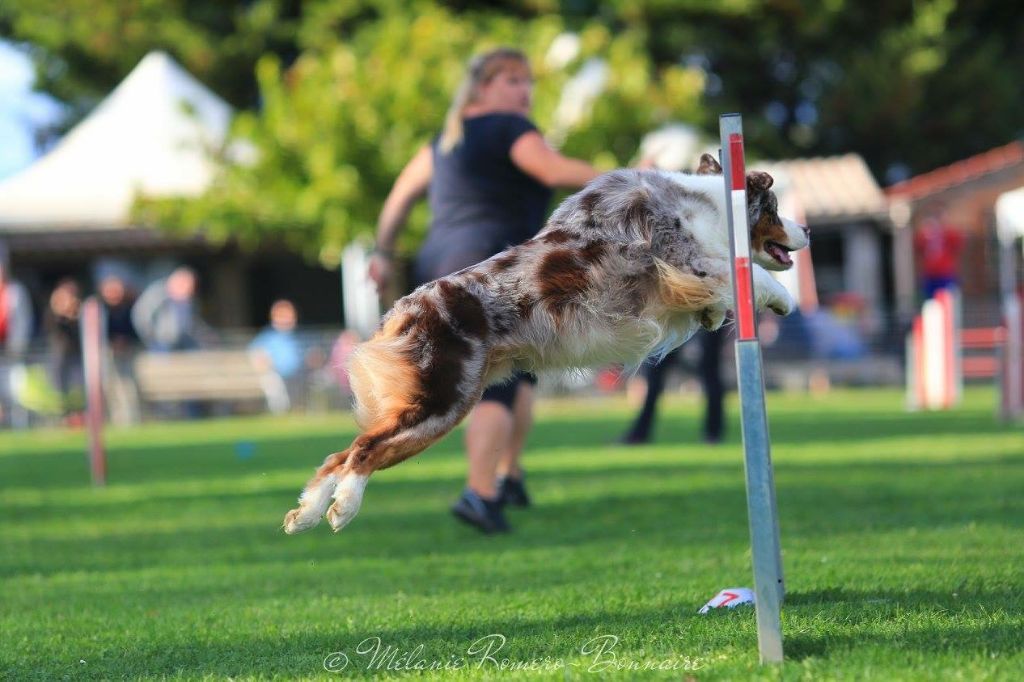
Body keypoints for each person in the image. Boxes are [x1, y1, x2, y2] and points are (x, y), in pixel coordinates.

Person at [367, 47, 601, 533]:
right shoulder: (510, 128)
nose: (524, 90)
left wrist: (383, 253)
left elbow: (398, 199)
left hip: (441, 265)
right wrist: (628, 180)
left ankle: (508, 473)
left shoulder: (443, 141)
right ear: (483, 87)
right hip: (490, 264)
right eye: (512, 80)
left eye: (527, 81)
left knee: (522, 371)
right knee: (496, 380)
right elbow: (552, 171)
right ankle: (480, 491)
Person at [619, 326, 728, 445]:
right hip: (679, 314)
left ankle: (713, 434)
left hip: (701, 314)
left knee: (709, 371)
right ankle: (639, 433)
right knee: (655, 370)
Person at [132, 267, 211, 352]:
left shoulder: (188, 300)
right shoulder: (156, 294)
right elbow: (142, 317)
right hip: (161, 344)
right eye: (185, 285)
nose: (188, 290)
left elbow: (195, 323)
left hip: (183, 341)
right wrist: (151, 339)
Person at [0, 246, 34, 425]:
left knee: (15, 389)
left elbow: (23, 321)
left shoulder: (15, 292)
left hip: (12, 350)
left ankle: (19, 424)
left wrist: (17, 346)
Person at [249, 299, 304, 410]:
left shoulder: (299, 337)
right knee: (272, 382)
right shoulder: (268, 337)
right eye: (283, 315)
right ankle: (279, 410)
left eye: (289, 315)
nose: (287, 319)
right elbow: (255, 353)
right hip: (274, 374)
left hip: (297, 375)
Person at [45, 278, 84, 421]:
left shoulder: (82, 312)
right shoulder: (52, 314)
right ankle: (61, 417)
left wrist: (73, 315)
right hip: (59, 357)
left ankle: (78, 417)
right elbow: (51, 329)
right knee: (59, 390)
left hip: (78, 356)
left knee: (78, 390)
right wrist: (60, 313)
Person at [913, 203, 964, 300]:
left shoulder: (949, 233)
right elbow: (918, 246)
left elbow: (958, 245)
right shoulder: (925, 234)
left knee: (946, 300)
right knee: (930, 301)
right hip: (930, 274)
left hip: (945, 273)